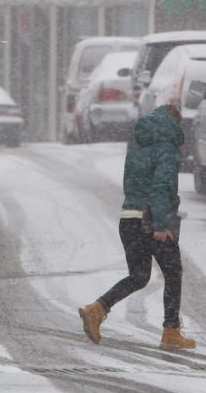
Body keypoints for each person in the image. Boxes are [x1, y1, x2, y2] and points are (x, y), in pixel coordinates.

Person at [79, 103, 196, 350]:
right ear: (175, 123)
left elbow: (136, 182)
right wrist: (161, 225)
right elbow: (162, 186)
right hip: (151, 219)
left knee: (139, 276)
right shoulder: (166, 148)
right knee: (173, 272)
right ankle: (171, 332)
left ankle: (97, 308)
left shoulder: (138, 143)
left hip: (129, 217)